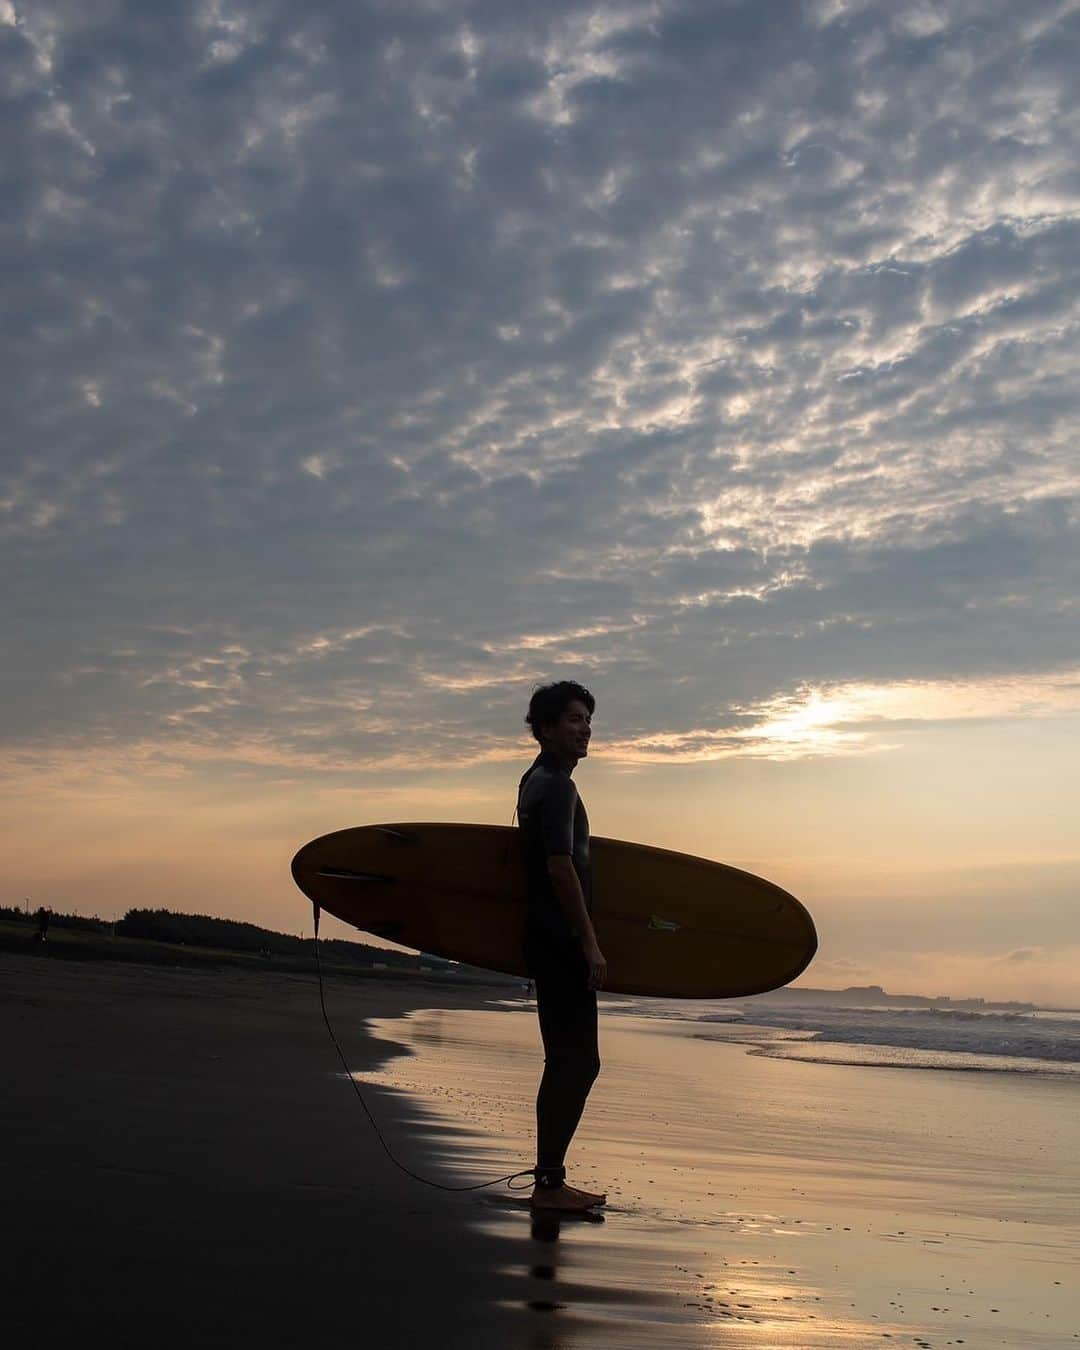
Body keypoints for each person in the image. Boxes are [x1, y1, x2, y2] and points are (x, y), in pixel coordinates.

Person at [517, 681, 607, 1213]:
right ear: (546, 728)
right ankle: (549, 1184)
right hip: (561, 940)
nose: (585, 728)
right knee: (578, 1062)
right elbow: (558, 866)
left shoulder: (535, 780)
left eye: (588, 719)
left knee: (565, 1060)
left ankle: (549, 1178)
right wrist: (590, 941)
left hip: (544, 938)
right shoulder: (556, 787)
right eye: (574, 719)